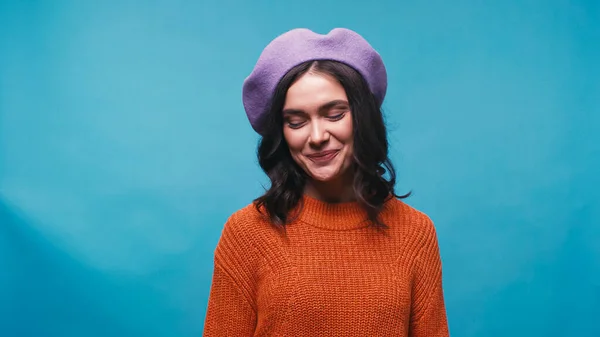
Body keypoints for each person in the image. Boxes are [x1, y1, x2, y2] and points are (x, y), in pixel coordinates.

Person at [203, 27, 449, 336]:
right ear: (282, 132)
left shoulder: (416, 233)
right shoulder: (246, 234)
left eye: (334, 115)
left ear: (362, 117)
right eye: (296, 122)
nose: (317, 137)